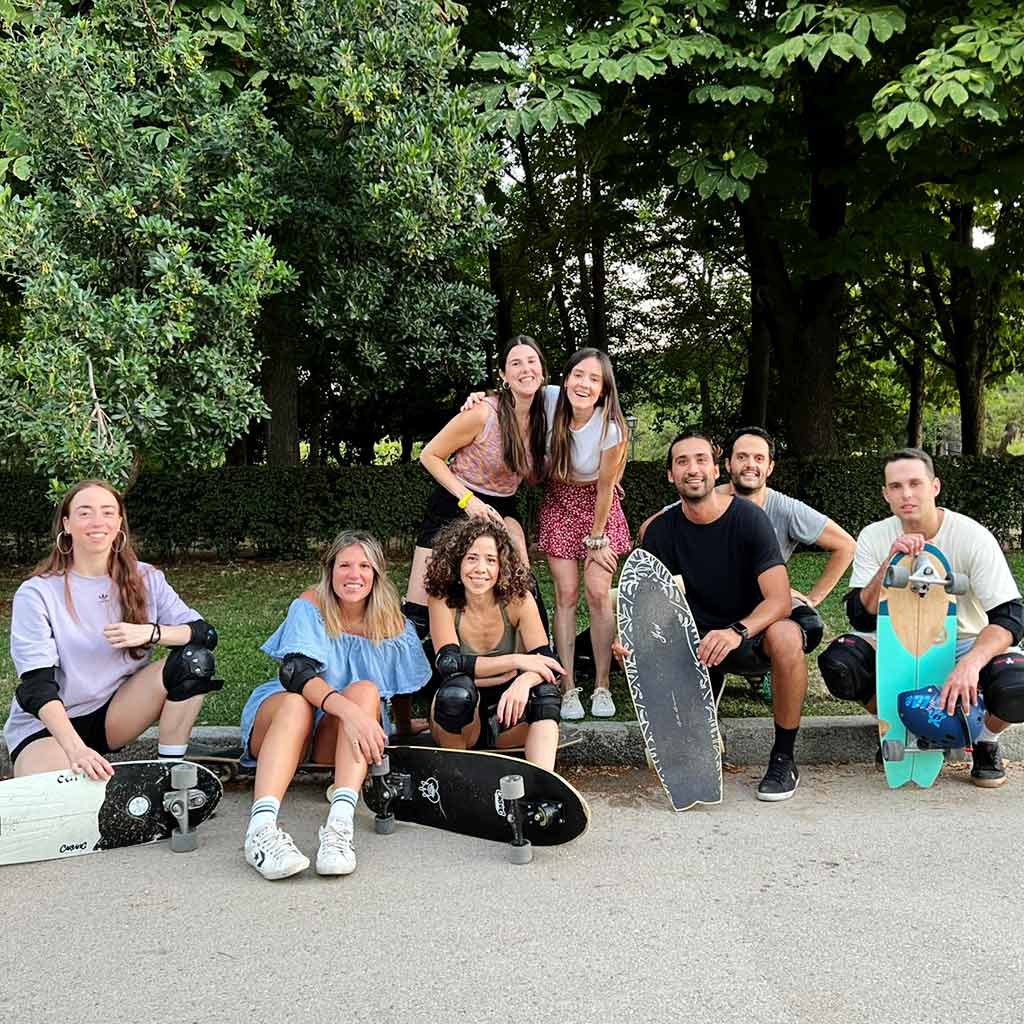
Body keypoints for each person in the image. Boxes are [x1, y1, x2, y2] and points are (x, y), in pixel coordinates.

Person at [817, 448, 1024, 787]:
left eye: (915, 483)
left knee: (1018, 684)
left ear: (935, 487)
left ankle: (985, 740)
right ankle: (893, 728)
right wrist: (889, 561)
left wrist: (971, 663)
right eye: (896, 486)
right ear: (886, 494)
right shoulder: (874, 535)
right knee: (842, 662)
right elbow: (860, 616)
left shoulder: (972, 536)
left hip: (961, 642)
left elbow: (1011, 616)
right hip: (897, 639)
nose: (906, 494)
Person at [627, 431, 814, 801]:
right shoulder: (661, 532)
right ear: (670, 475)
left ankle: (783, 758)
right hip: (699, 643)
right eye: (682, 462)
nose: (692, 469)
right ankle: (697, 741)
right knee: (683, 757)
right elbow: (652, 609)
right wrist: (633, 643)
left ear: (717, 470)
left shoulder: (749, 519)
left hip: (752, 633)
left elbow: (778, 600)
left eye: (700, 460)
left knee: (787, 636)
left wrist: (736, 632)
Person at [239, 530, 430, 880]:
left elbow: (400, 686)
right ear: (330, 571)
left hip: (336, 736)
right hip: (284, 719)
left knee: (367, 690)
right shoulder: (309, 605)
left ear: (376, 573)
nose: (353, 574)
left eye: (363, 566)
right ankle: (260, 831)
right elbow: (295, 672)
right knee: (298, 703)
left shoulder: (392, 621)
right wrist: (351, 712)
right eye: (344, 565)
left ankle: (339, 829)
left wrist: (401, 727)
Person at [7, 479, 221, 781]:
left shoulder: (147, 578)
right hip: (49, 728)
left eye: (108, 512)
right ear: (66, 524)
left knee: (194, 661)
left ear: (119, 522)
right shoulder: (37, 592)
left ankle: (169, 778)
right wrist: (76, 750)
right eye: (85, 513)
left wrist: (151, 633)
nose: (98, 522)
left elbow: (205, 635)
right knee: (73, 800)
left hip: (114, 715)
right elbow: (35, 689)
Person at [399, 336, 550, 733]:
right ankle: (403, 703)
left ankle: (534, 674)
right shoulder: (483, 412)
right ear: (502, 374)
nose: (525, 370)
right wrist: (467, 501)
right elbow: (429, 455)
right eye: (514, 363)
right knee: (418, 609)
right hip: (457, 498)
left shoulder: (547, 412)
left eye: (531, 362)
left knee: (521, 583)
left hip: (503, 503)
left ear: (543, 371)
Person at [639, 425, 855, 608]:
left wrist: (812, 599)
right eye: (742, 457)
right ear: (726, 464)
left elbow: (846, 545)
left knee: (795, 631)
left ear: (769, 467)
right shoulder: (704, 499)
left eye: (759, 458)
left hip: (762, 603)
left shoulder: (787, 510)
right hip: (706, 605)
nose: (750, 465)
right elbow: (650, 528)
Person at [424, 518, 563, 769]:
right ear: (456, 562)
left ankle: (542, 783)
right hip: (460, 720)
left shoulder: (518, 600)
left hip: (506, 716)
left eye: (490, 560)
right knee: (456, 692)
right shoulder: (441, 600)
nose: (480, 568)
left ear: (502, 567)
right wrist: (517, 660)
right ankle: (459, 778)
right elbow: (449, 663)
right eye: (471, 558)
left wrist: (523, 680)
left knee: (546, 694)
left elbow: (550, 665)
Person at [536, 348, 630, 721]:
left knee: (596, 592)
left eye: (594, 379)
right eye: (578, 375)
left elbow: (606, 489)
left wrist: (596, 538)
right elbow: (509, 395)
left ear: (605, 389)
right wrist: (476, 398)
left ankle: (603, 685)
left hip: (597, 507)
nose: (584, 383)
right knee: (566, 594)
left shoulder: (611, 428)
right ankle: (568, 686)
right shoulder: (550, 400)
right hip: (559, 501)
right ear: (566, 378)